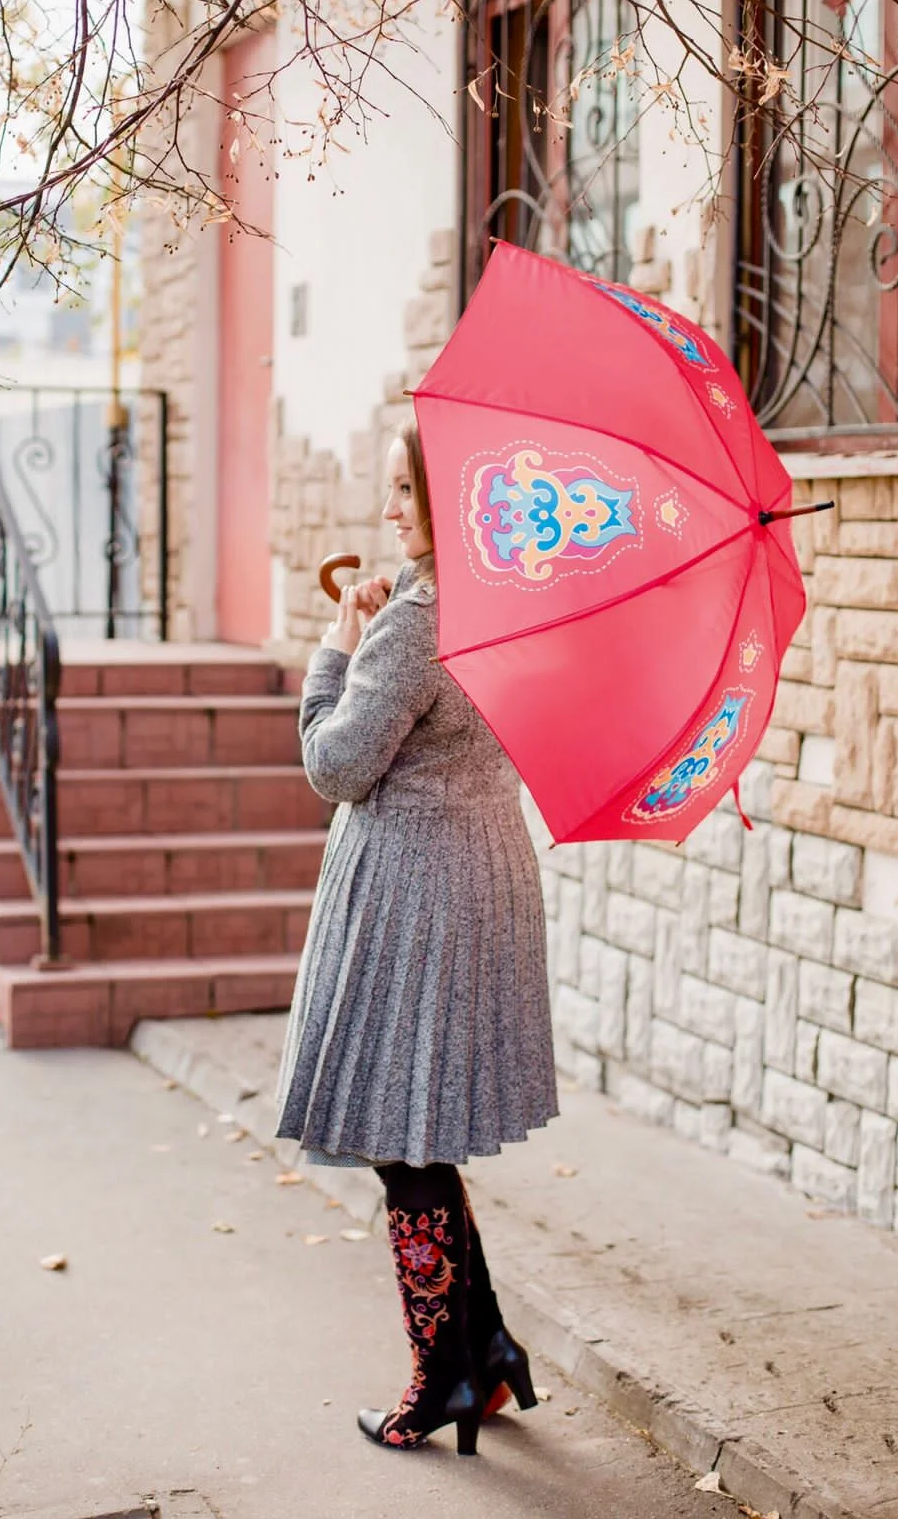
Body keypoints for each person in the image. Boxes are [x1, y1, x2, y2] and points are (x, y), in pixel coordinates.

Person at [275, 420, 558, 1457]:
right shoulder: (507, 602)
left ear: (453, 498)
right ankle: (486, 1349)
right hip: (484, 877)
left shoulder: (414, 621)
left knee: (403, 1140)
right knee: (424, 1125)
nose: (389, 507)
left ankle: (442, 1376)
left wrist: (335, 650)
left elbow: (335, 765)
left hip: (413, 896)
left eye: (407, 489)